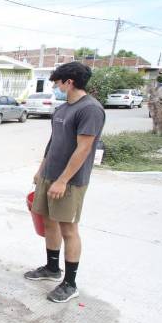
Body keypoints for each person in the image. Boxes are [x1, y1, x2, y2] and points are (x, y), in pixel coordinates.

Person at [25, 62, 105, 303]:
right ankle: (51, 268)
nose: (55, 87)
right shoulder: (62, 110)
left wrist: (62, 180)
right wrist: (41, 171)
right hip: (50, 176)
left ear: (69, 82)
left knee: (68, 229)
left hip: (70, 181)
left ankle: (70, 284)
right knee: (49, 222)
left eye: (57, 83)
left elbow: (83, 149)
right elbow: (53, 144)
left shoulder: (90, 109)